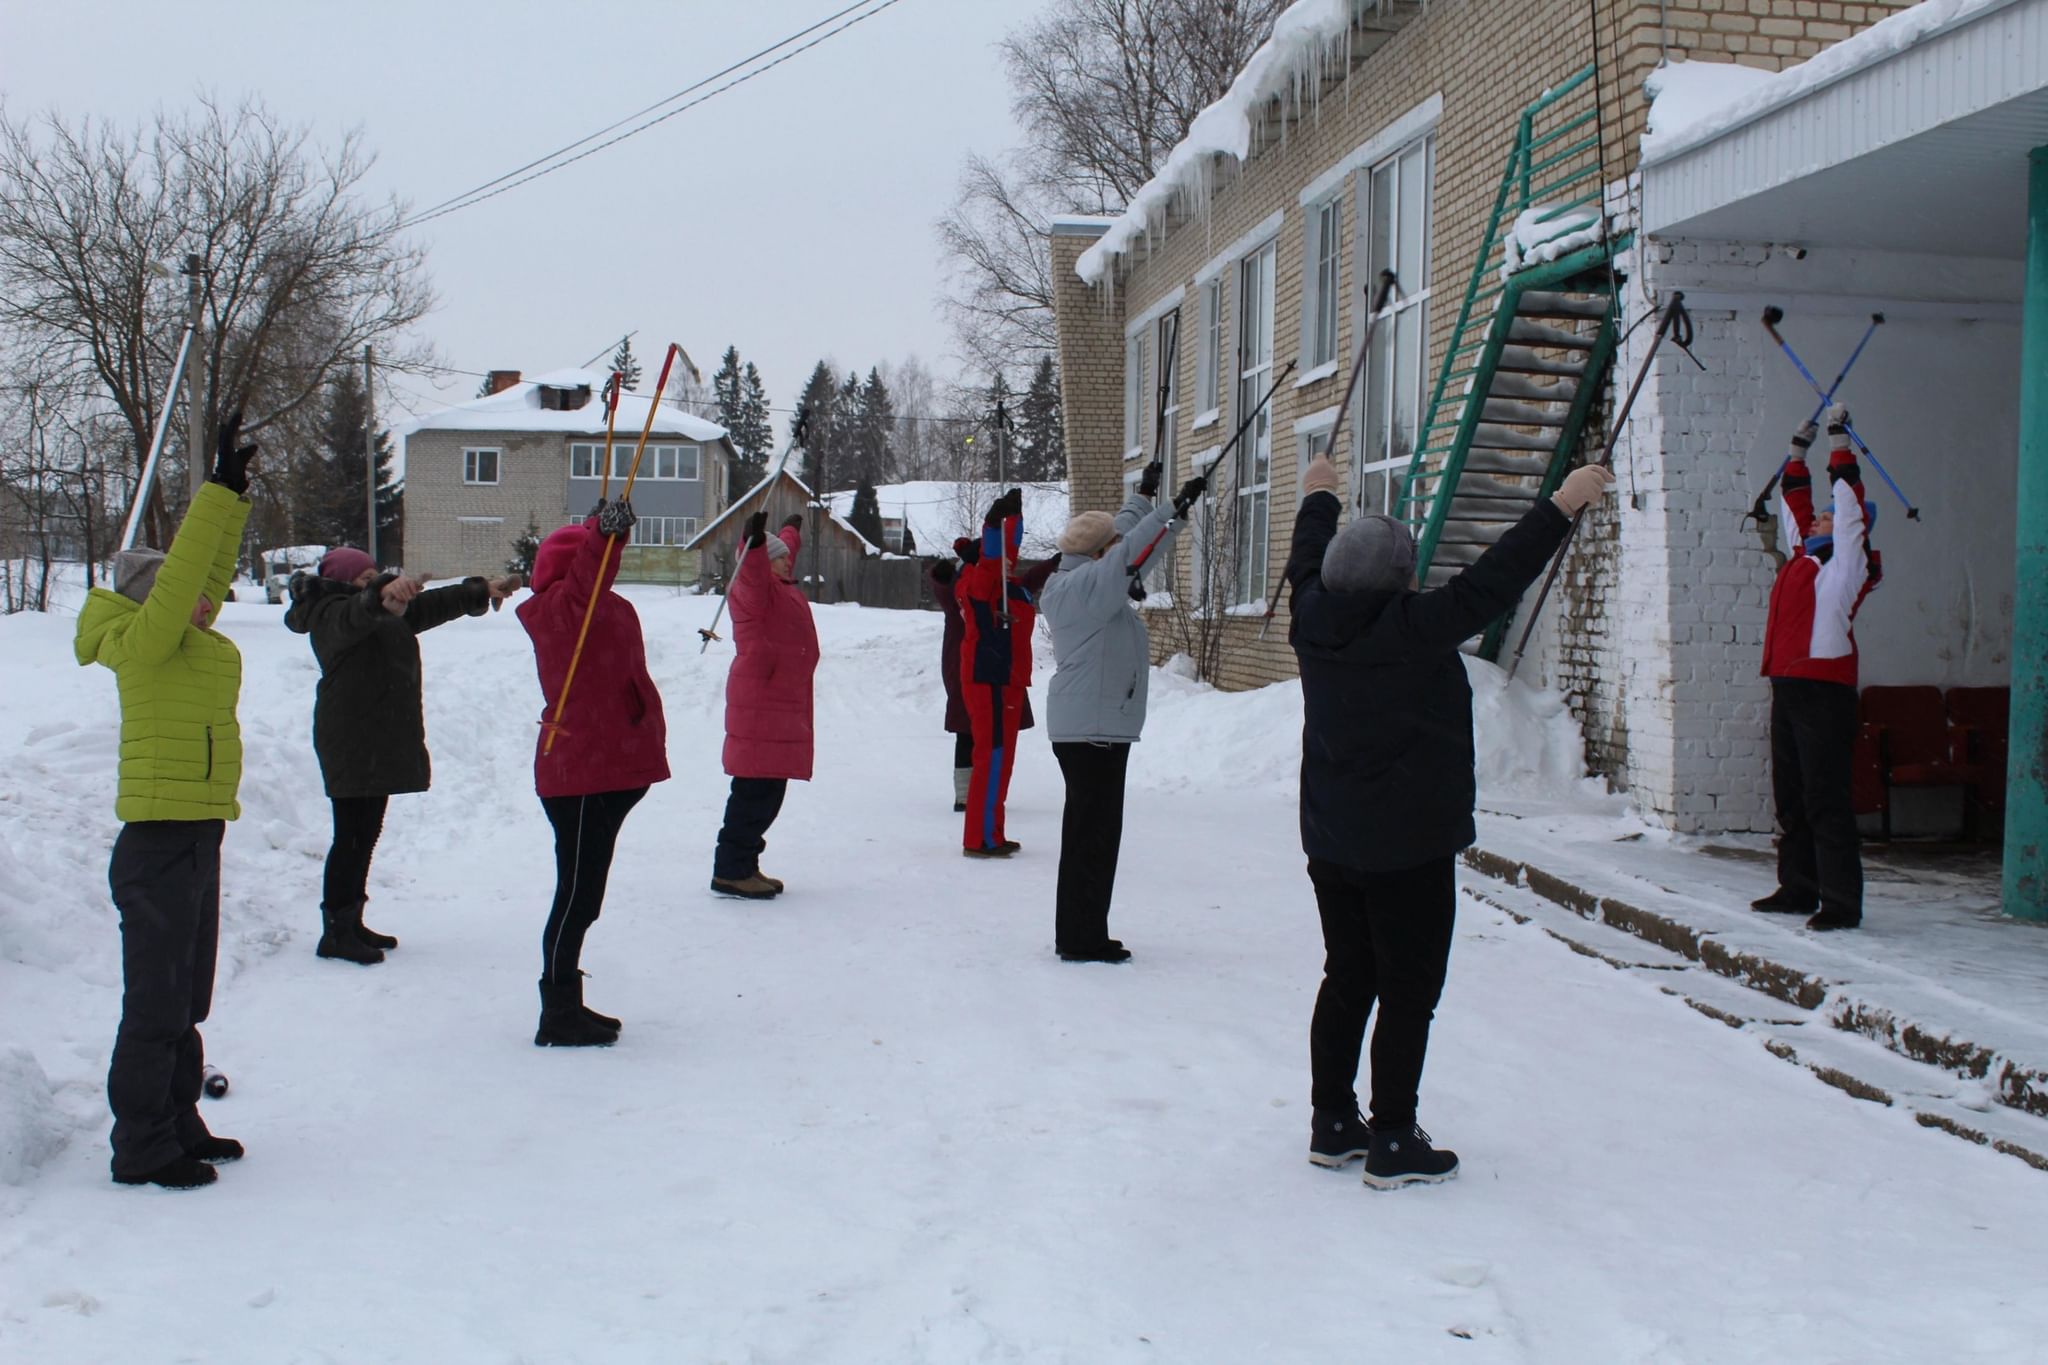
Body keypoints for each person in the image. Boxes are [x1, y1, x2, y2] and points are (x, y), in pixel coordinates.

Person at [1286, 453, 1613, 1188]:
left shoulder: (1312, 615)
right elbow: (1496, 577)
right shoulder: (1414, 627)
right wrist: (1560, 505)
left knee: (1348, 975)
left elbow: (1306, 556)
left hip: (1333, 838)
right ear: (1399, 578)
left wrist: (1318, 497)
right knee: (1408, 988)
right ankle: (1394, 1137)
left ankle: (1333, 1122)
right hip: (1407, 847)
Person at [72, 410, 260, 1189]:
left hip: (195, 834)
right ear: (156, 601)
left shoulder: (185, 634)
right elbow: (183, 579)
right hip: (155, 841)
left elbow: (202, 580)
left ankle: (178, 1118)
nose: (208, 604)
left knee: (186, 993)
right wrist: (212, 490)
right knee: (155, 1002)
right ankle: (140, 1144)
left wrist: (236, 499)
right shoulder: (144, 645)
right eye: (185, 597)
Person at [285, 550, 521, 964]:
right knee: (351, 836)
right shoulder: (330, 613)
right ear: (346, 581)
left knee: (365, 834)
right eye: (367, 576)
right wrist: (379, 594)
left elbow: (428, 607)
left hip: (374, 737)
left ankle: (351, 921)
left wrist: (478, 590)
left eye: (378, 574)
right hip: (351, 738)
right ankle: (336, 931)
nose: (377, 581)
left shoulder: (384, 611)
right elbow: (357, 614)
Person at [515, 499, 670, 1046]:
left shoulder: (595, 603)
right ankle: (557, 1010)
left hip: (605, 768)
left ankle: (566, 1003)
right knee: (577, 894)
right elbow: (586, 579)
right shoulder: (559, 610)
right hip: (582, 772)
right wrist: (603, 538)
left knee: (585, 893)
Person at [1037, 460, 1204, 963]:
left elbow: (1124, 537)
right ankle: (1081, 938)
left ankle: (1083, 931)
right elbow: (1130, 551)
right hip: (1091, 731)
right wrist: (1174, 510)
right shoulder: (1080, 589)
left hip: (1094, 727)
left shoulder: (1082, 576)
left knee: (1093, 833)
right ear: (1097, 554)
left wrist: (1145, 495)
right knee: (1093, 836)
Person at [1752, 405, 1877, 932]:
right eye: (1819, 516)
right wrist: (1796, 453)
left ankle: (1841, 903)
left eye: (1829, 516)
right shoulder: (1805, 555)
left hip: (1824, 693)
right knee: (1793, 795)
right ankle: (1797, 887)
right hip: (1787, 685)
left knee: (1826, 798)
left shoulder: (1848, 565)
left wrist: (1838, 444)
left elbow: (1847, 507)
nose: (1819, 517)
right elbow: (1792, 506)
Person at [712, 511, 820, 900]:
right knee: (754, 794)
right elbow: (755, 568)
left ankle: (743, 865)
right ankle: (731, 871)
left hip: (777, 704)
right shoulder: (753, 589)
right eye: (778, 558)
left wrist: (791, 531)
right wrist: (755, 545)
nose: (786, 561)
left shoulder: (778, 582)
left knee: (767, 793)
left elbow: (783, 547)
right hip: (762, 704)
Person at [929, 537, 1056, 814]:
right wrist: (941, 575)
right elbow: (946, 590)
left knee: (997, 731)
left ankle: (989, 789)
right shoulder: (964, 586)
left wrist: (1052, 564)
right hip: (966, 667)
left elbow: (1028, 581)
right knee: (967, 731)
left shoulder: (1004, 588)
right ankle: (965, 794)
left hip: (1001, 667)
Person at [956, 488, 1038, 858]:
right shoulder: (979, 584)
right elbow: (994, 558)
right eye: (1000, 556)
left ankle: (993, 831)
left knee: (1002, 759)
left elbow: (1008, 552)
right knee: (991, 756)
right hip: (988, 675)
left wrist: (1016, 518)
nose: (1010, 562)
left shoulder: (1005, 584)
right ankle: (980, 837)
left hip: (1007, 679)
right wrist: (992, 523)